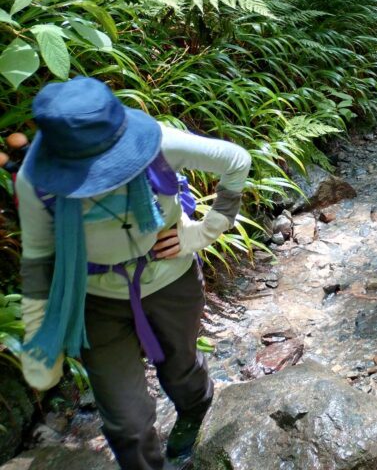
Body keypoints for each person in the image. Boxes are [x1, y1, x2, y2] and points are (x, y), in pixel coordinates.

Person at [16, 77, 252, 470]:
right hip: (95, 300)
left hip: (170, 281)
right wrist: (41, 337)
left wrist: (203, 232)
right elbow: (39, 260)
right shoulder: (35, 182)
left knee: (181, 368)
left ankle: (196, 413)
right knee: (126, 419)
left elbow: (235, 160)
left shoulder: (158, 143)